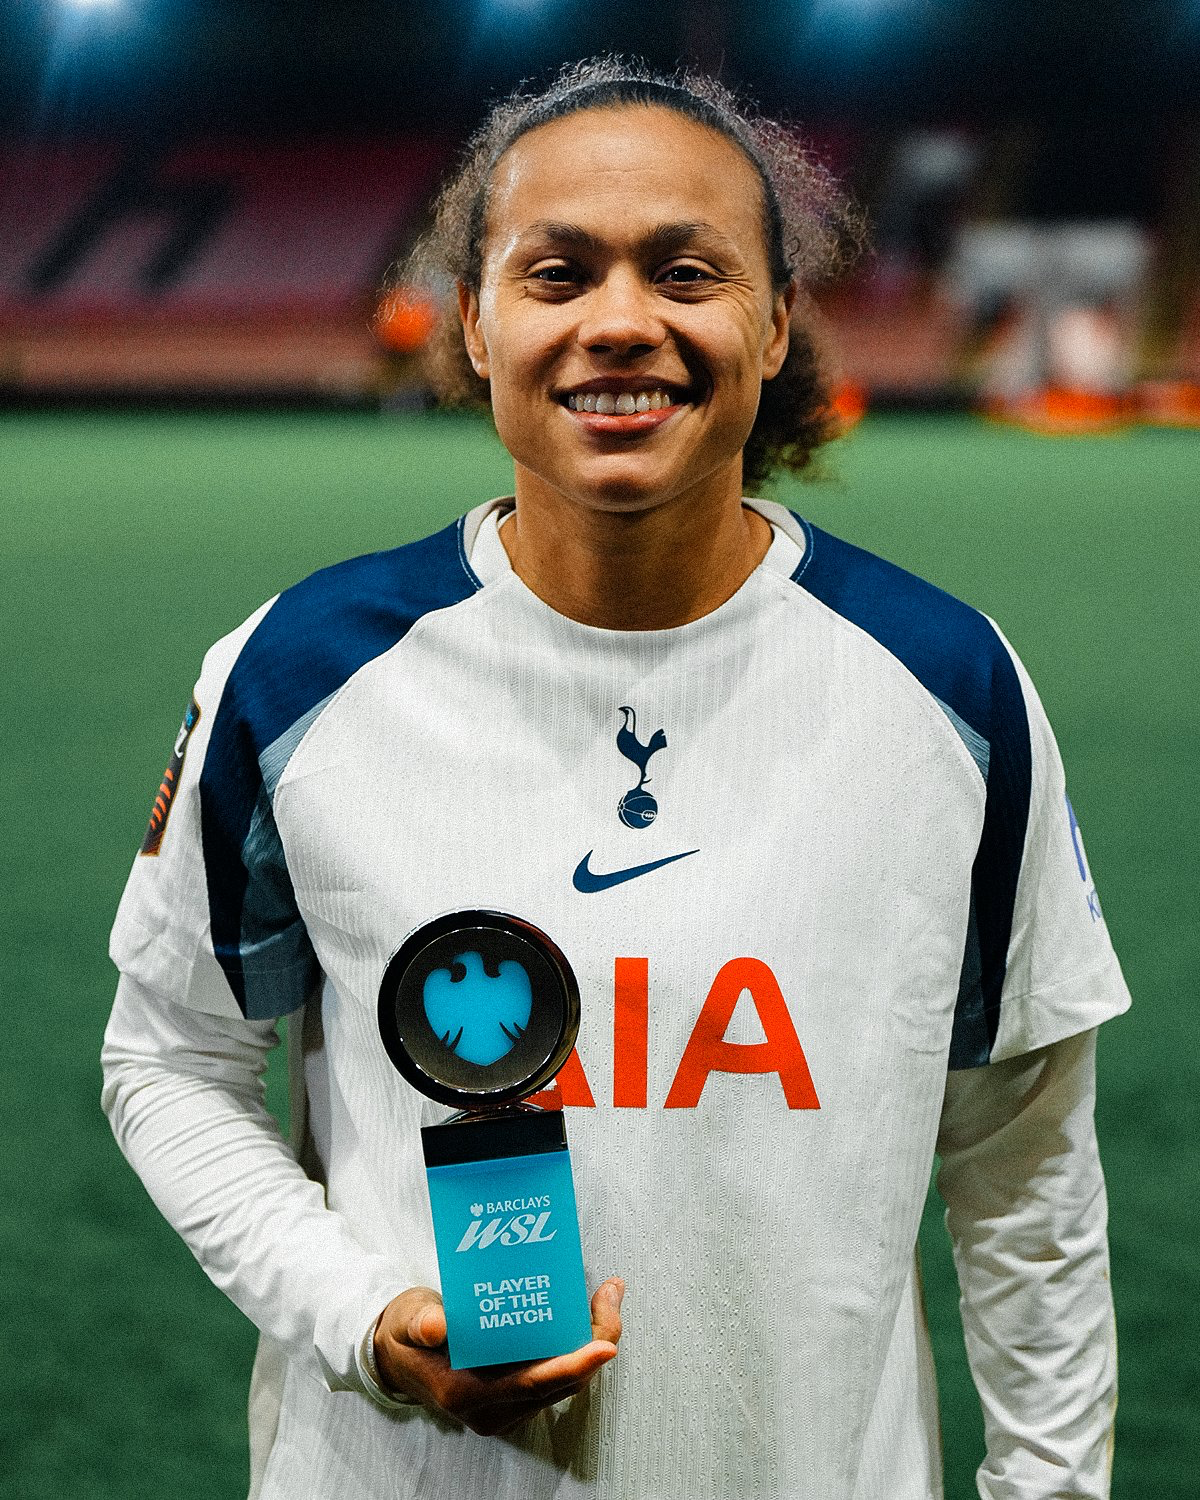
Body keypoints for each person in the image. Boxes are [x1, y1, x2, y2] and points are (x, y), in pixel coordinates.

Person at [102, 58, 1131, 1500]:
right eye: (558, 272)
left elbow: (1026, 1176)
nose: (622, 323)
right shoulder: (295, 673)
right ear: (474, 319)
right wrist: (369, 1323)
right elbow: (168, 1060)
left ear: (777, 324)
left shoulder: (947, 687)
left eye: (688, 271)